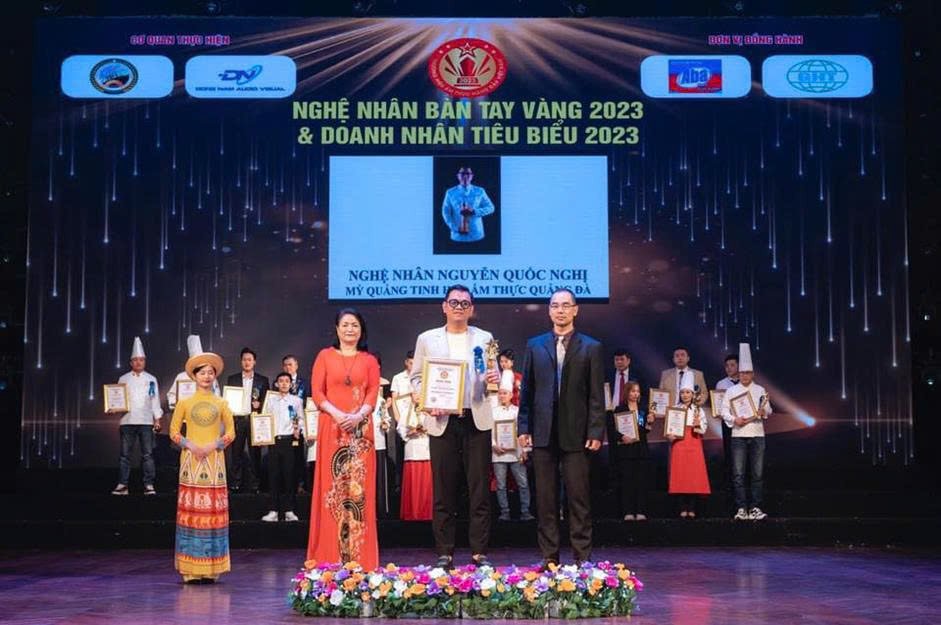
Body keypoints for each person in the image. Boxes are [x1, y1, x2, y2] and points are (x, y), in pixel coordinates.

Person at [410, 285, 499, 568]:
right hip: (442, 421)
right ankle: (444, 553)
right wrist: (427, 401)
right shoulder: (427, 338)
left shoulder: (485, 338)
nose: (459, 307)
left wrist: (495, 378)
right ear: (444, 306)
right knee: (444, 490)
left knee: (479, 491)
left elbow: (492, 375)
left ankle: (479, 553)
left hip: (477, 419)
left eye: (465, 303)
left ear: (472, 309)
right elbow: (416, 378)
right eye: (454, 302)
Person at [518, 288, 605, 567]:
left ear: (575, 310)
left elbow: (596, 395)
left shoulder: (591, 347)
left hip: (577, 434)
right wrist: (523, 427)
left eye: (566, 305)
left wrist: (595, 431)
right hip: (542, 433)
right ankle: (549, 557)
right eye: (555, 305)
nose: (560, 310)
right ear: (549, 310)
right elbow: (527, 390)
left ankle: (582, 559)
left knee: (579, 499)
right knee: (545, 500)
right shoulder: (535, 345)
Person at [307, 309, 380, 570]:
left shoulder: (369, 360)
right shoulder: (324, 356)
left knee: (359, 492)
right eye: (346, 325)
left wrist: (358, 416)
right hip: (332, 427)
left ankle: (360, 558)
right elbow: (317, 392)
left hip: (360, 431)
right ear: (337, 329)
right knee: (333, 492)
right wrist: (338, 415)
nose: (350, 329)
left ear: (362, 330)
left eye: (355, 325)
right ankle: (329, 558)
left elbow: (372, 392)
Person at [168, 347, 234, 583]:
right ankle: (190, 569)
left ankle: (212, 569)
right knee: (191, 513)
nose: (207, 376)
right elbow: (173, 431)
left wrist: (213, 445)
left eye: (210, 373)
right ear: (194, 376)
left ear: (215, 376)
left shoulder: (221, 403)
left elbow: (231, 433)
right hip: (191, 462)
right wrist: (191, 445)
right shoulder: (185, 402)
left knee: (213, 513)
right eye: (202, 372)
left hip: (214, 462)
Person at [720, 343, 772, 521]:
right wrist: (734, 419)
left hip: (757, 434)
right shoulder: (731, 391)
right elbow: (724, 411)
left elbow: (768, 409)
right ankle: (741, 508)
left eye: (747, 373)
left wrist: (764, 411)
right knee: (738, 474)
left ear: (753, 374)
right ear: (739, 374)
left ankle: (756, 507)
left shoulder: (760, 390)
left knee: (757, 474)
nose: (744, 376)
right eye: (742, 373)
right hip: (738, 435)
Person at [111, 336, 162, 496]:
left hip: (146, 421)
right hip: (127, 421)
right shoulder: (123, 378)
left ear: (144, 362)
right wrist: (113, 407)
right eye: (135, 360)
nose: (138, 362)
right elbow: (117, 398)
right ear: (131, 363)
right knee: (125, 455)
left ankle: (148, 485)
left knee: (147, 455)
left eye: (141, 360)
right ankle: (123, 485)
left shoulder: (151, 379)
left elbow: (155, 400)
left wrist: (157, 419)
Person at [261, 372, 305, 523]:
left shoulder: (297, 400)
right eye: (281, 381)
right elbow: (264, 419)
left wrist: (299, 430)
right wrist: (263, 435)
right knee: (273, 476)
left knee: (289, 476)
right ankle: (273, 511)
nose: (284, 383)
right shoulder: (271, 400)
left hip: (289, 441)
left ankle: (289, 511)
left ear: (291, 384)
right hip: (274, 441)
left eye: (287, 381)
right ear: (276, 384)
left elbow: (301, 419)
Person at [492, 369, 534, 522]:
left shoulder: (517, 412)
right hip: (498, 454)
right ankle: (505, 512)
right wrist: (494, 445)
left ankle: (525, 511)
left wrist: (525, 450)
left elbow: (523, 432)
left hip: (516, 453)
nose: (502, 396)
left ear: (511, 395)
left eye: (505, 393)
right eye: (500, 393)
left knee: (523, 483)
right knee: (501, 485)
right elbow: (489, 432)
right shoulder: (493, 412)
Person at [226, 348, 269, 493]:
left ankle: (256, 484)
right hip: (238, 419)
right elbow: (228, 400)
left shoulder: (262, 380)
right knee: (236, 452)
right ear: (241, 362)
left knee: (255, 453)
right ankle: (235, 484)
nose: (247, 362)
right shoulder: (233, 379)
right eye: (244, 360)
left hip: (254, 420)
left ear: (254, 362)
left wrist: (259, 405)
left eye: (249, 360)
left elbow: (267, 402)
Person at [666, 377, 710, 518]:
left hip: (694, 442)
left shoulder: (698, 410)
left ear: (692, 394)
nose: (685, 395)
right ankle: (682, 508)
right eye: (682, 392)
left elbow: (704, 428)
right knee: (681, 475)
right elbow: (669, 429)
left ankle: (691, 508)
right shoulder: (675, 409)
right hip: (679, 443)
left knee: (693, 476)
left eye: (688, 392)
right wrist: (670, 435)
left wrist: (698, 425)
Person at [613, 381, 652, 521]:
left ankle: (640, 511)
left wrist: (649, 423)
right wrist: (622, 437)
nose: (636, 394)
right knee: (627, 481)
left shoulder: (643, 409)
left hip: (641, 449)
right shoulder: (620, 409)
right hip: (626, 450)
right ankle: (628, 511)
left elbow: (644, 430)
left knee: (641, 482)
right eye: (633, 391)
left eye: (638, 391)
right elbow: (613, 430)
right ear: (627, 392)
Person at [395, 387, 432, 521]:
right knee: (414, 484)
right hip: (412, 449)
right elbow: (400, 428)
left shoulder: (429, 411)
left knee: (426, 483)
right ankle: (413, 513)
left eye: (420, 393)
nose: (417, 396)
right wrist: (411, 432)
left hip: (426, 448)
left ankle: (427, 513)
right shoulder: (407, 411)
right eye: (415, 393)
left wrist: (427, 430)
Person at [441, 166, 495, 243]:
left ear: (472, 176)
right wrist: (455, 228)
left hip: (476, 235)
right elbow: (445, 212)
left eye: (468, 173)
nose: (465, 176)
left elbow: (491, 208)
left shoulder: (480, 191)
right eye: (462, 173)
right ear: (458, 176)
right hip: (457, 236)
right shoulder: (450, 192)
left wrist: (474, 211)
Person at [714, 353, 740, 513]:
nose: (729, 368)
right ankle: (730, 485)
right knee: (729, 453)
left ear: (738, 366)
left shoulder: (745, 382)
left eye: (732, 365)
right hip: (728, 423)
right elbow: (718, 406)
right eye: (727, 366)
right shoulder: (721, 384)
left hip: (744, 424)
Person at [282, 354, 311, 496]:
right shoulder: (279, 382)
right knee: (285, 456)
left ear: (296, 366)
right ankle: (286, 485)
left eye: (290, 364)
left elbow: (310, 401)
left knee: (299, 455)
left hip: (300, 423)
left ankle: (300, 484)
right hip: (284, 425)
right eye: (285, 365)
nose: (288, 367)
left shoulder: (305, 383)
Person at [167, 335, 221, 410]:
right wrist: (178, 403)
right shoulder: (181, 377)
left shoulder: (211, 378)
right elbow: (171, 395)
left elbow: (217, 397)